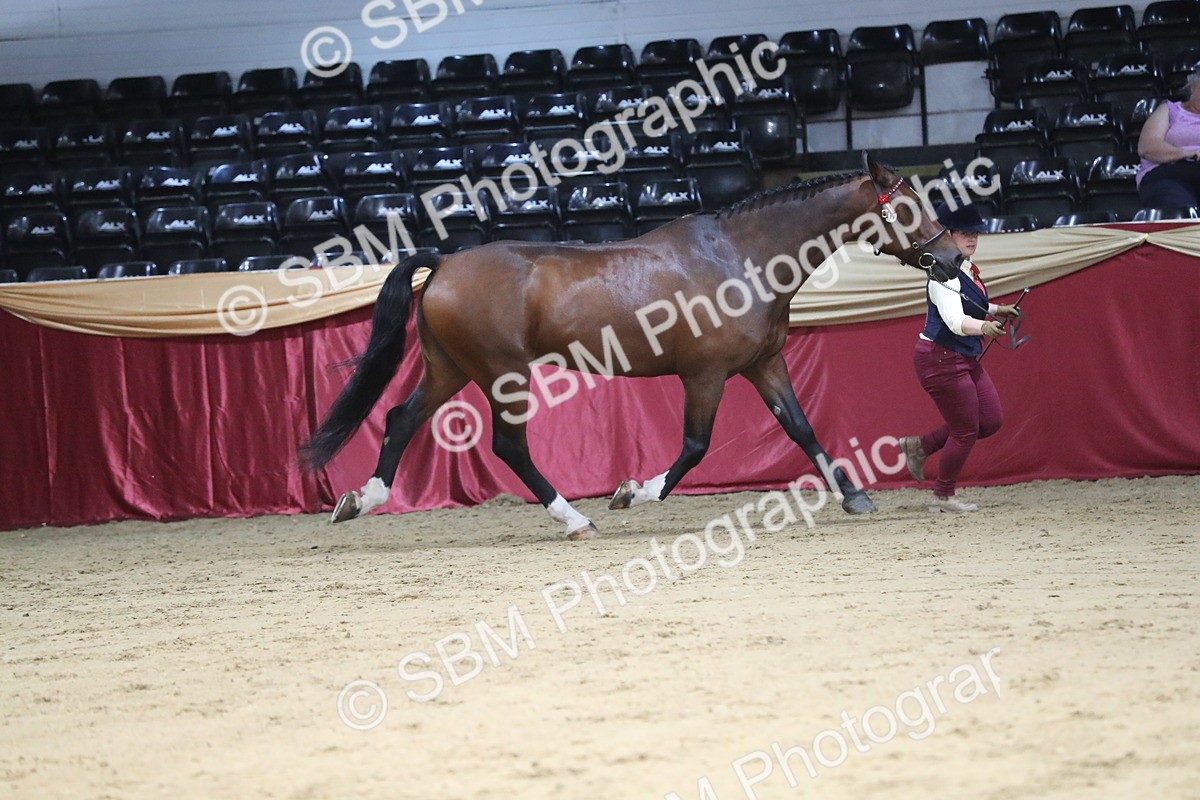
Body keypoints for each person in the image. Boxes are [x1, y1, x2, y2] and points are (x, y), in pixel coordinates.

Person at [898, 202, 1020, 513]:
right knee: (965, 430)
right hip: (940, 359)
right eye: (965, 234)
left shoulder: (963, 268)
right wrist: (985, 326)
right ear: (949, 235)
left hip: (959, 356)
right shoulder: (943, 271)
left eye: (975, 234)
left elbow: (968, 303)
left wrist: (995, 309)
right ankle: (943, 496)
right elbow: (954, 320)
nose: (972, 239)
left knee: (989, 421)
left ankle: (919, 447)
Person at [1136, 69, 1200, 209]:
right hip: (1168, 173)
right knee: (1181, 210)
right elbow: (1148, 147)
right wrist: (1188, 153)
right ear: (1192, 88)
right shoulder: (1170, 110)